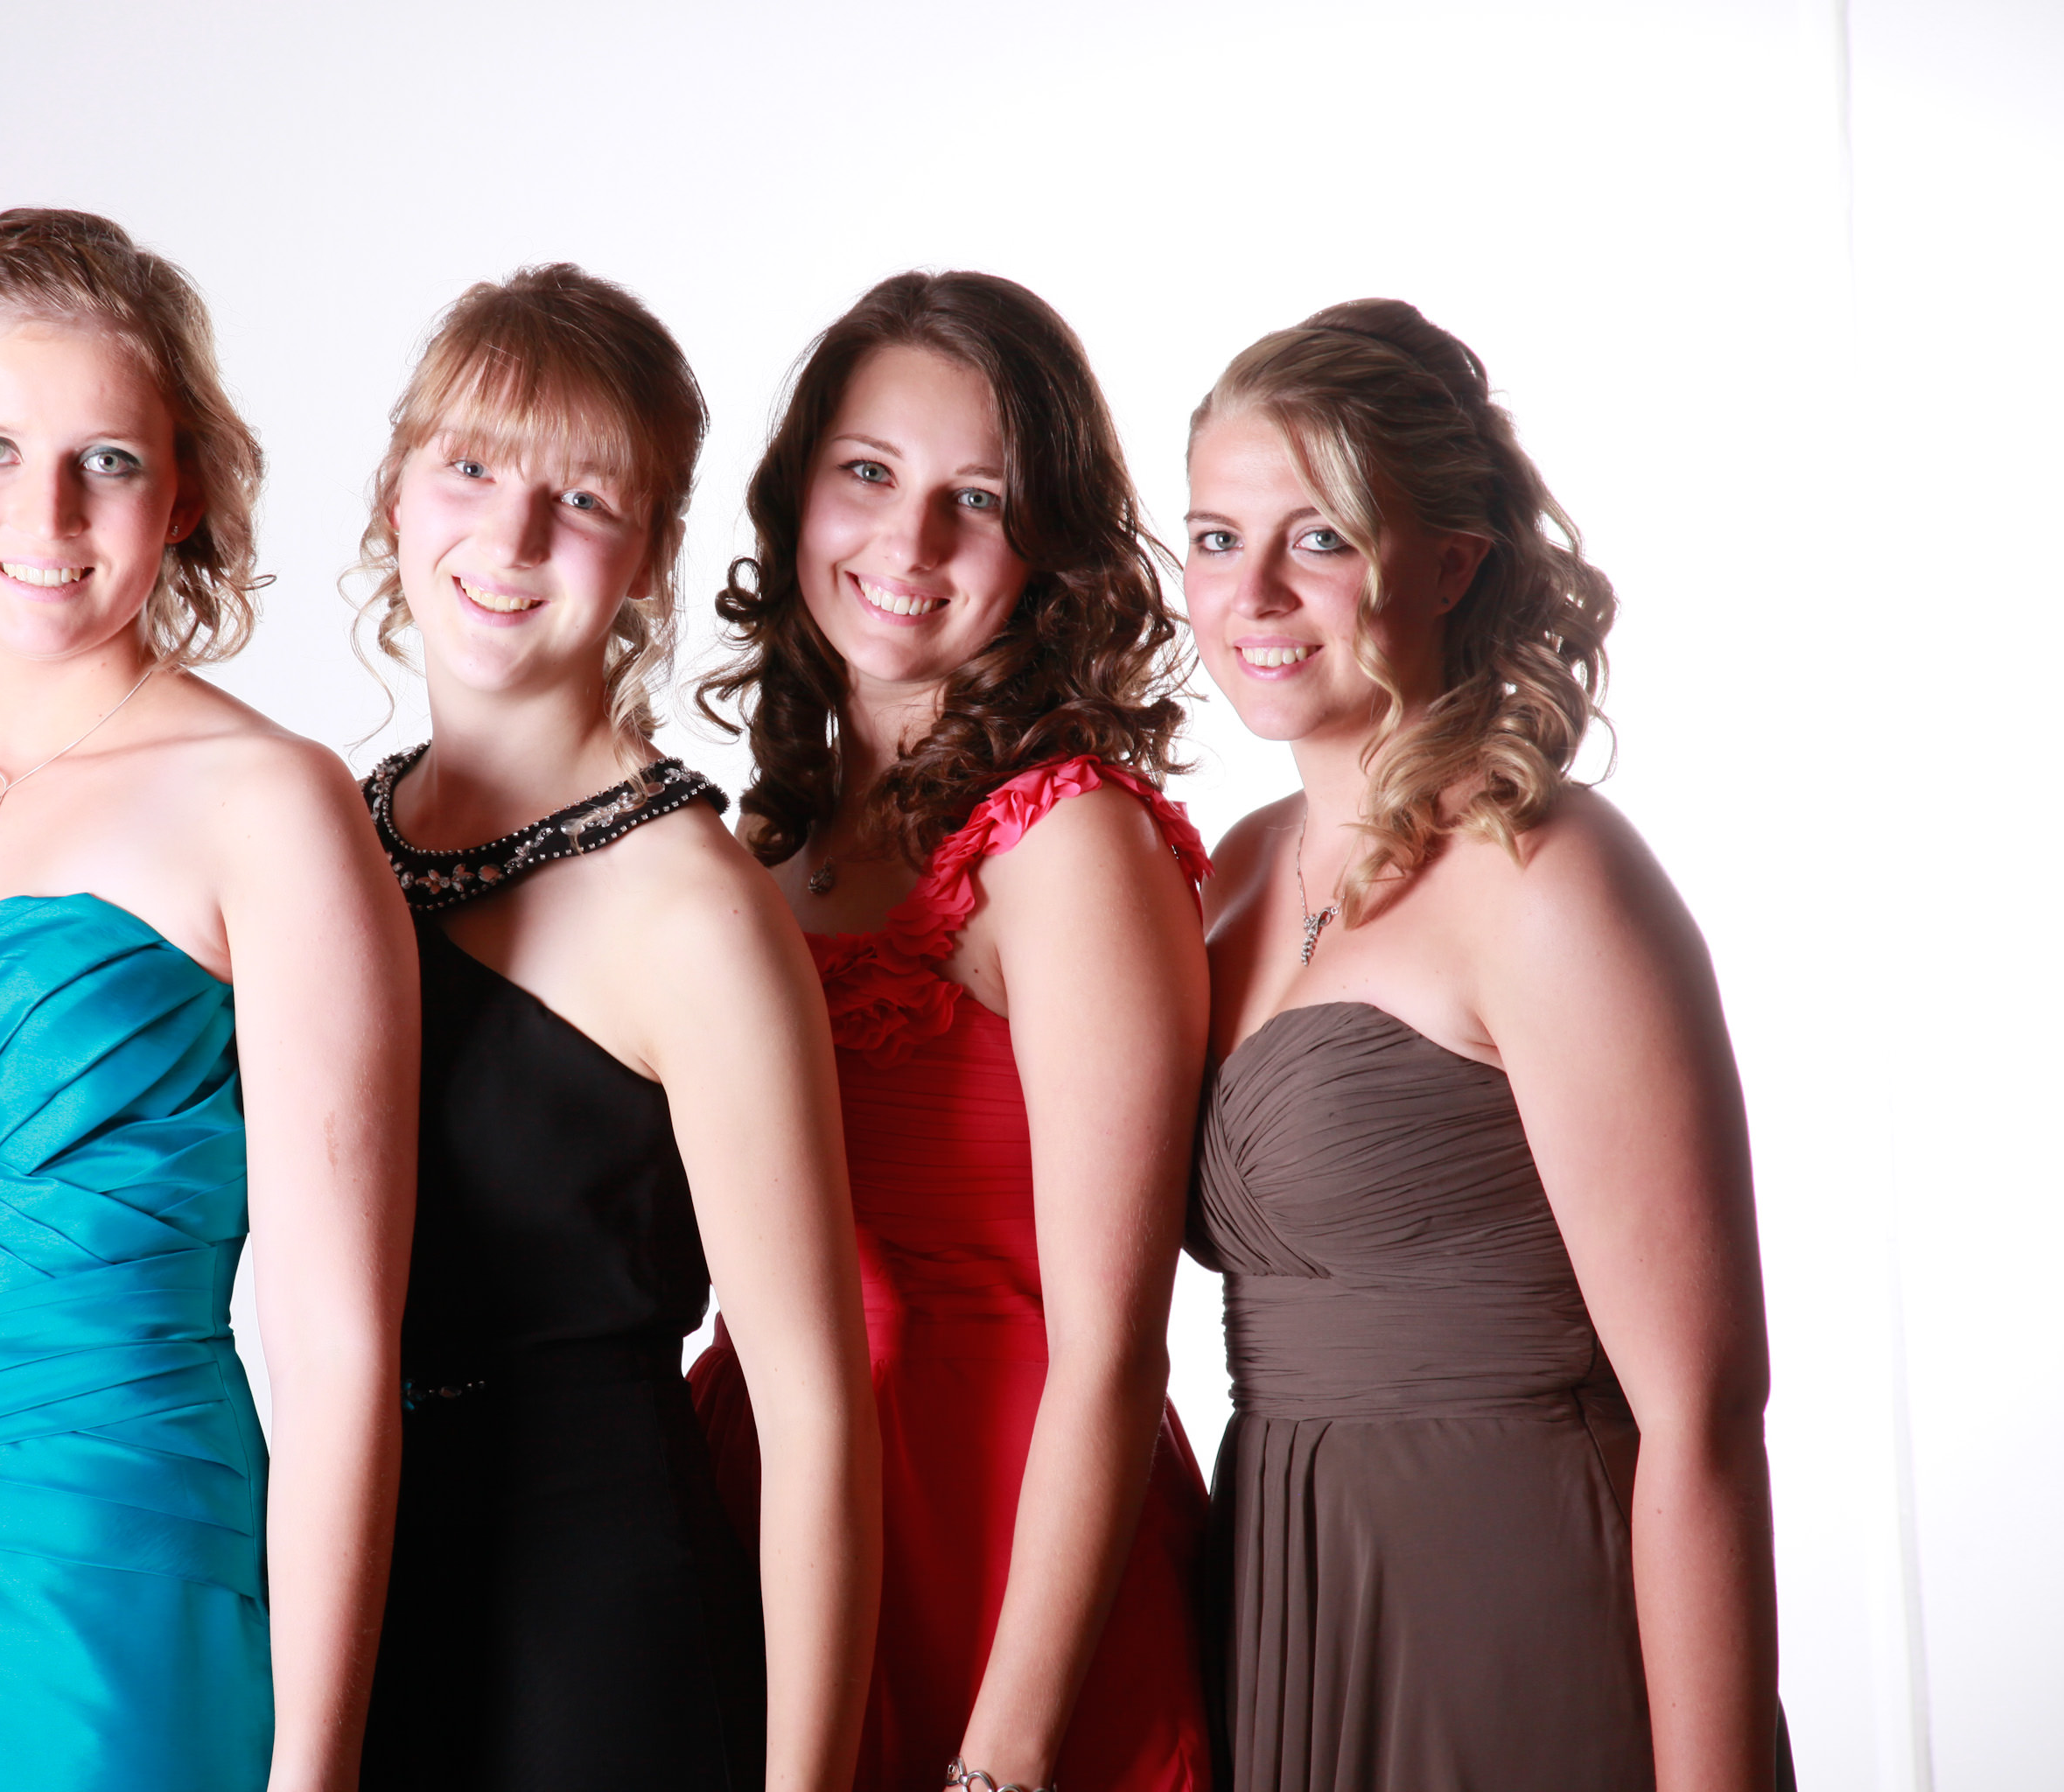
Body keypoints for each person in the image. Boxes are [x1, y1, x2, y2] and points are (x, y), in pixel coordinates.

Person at [0, 209, 418, 1792]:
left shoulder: (268, 802)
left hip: (105, 1574)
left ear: (183, 493)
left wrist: (317, 1772)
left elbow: (337, 1348)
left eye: (106, 460)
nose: (44, 514)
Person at [1179, 298, 1791, 1790]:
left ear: (1451, 564)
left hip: (1523, 1605)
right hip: (1282, 1597)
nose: (1254, 593)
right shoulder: (1232, 871)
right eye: (1214, 539)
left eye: (1320, 539)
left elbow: (1704, 1415)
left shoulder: (1547, 876)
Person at [349, 264, 881, 1792]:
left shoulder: (693, 913)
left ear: (649, 554)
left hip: (596, 1645)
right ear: (397, 493)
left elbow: (815, 1416)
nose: (512, 537)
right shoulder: (334, 837)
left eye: (582, 499)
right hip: (357, 1598)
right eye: (471, 467)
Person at [690, 270, 1215, 1792]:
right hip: (771, 1506)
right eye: (868, 473)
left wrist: (1008, 1753)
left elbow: (1114, 1353)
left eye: (974, 500)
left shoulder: (1071, 846)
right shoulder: (770, 844)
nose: (907, 543)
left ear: (1047, 547)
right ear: (797, 493)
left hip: (999, 1552)